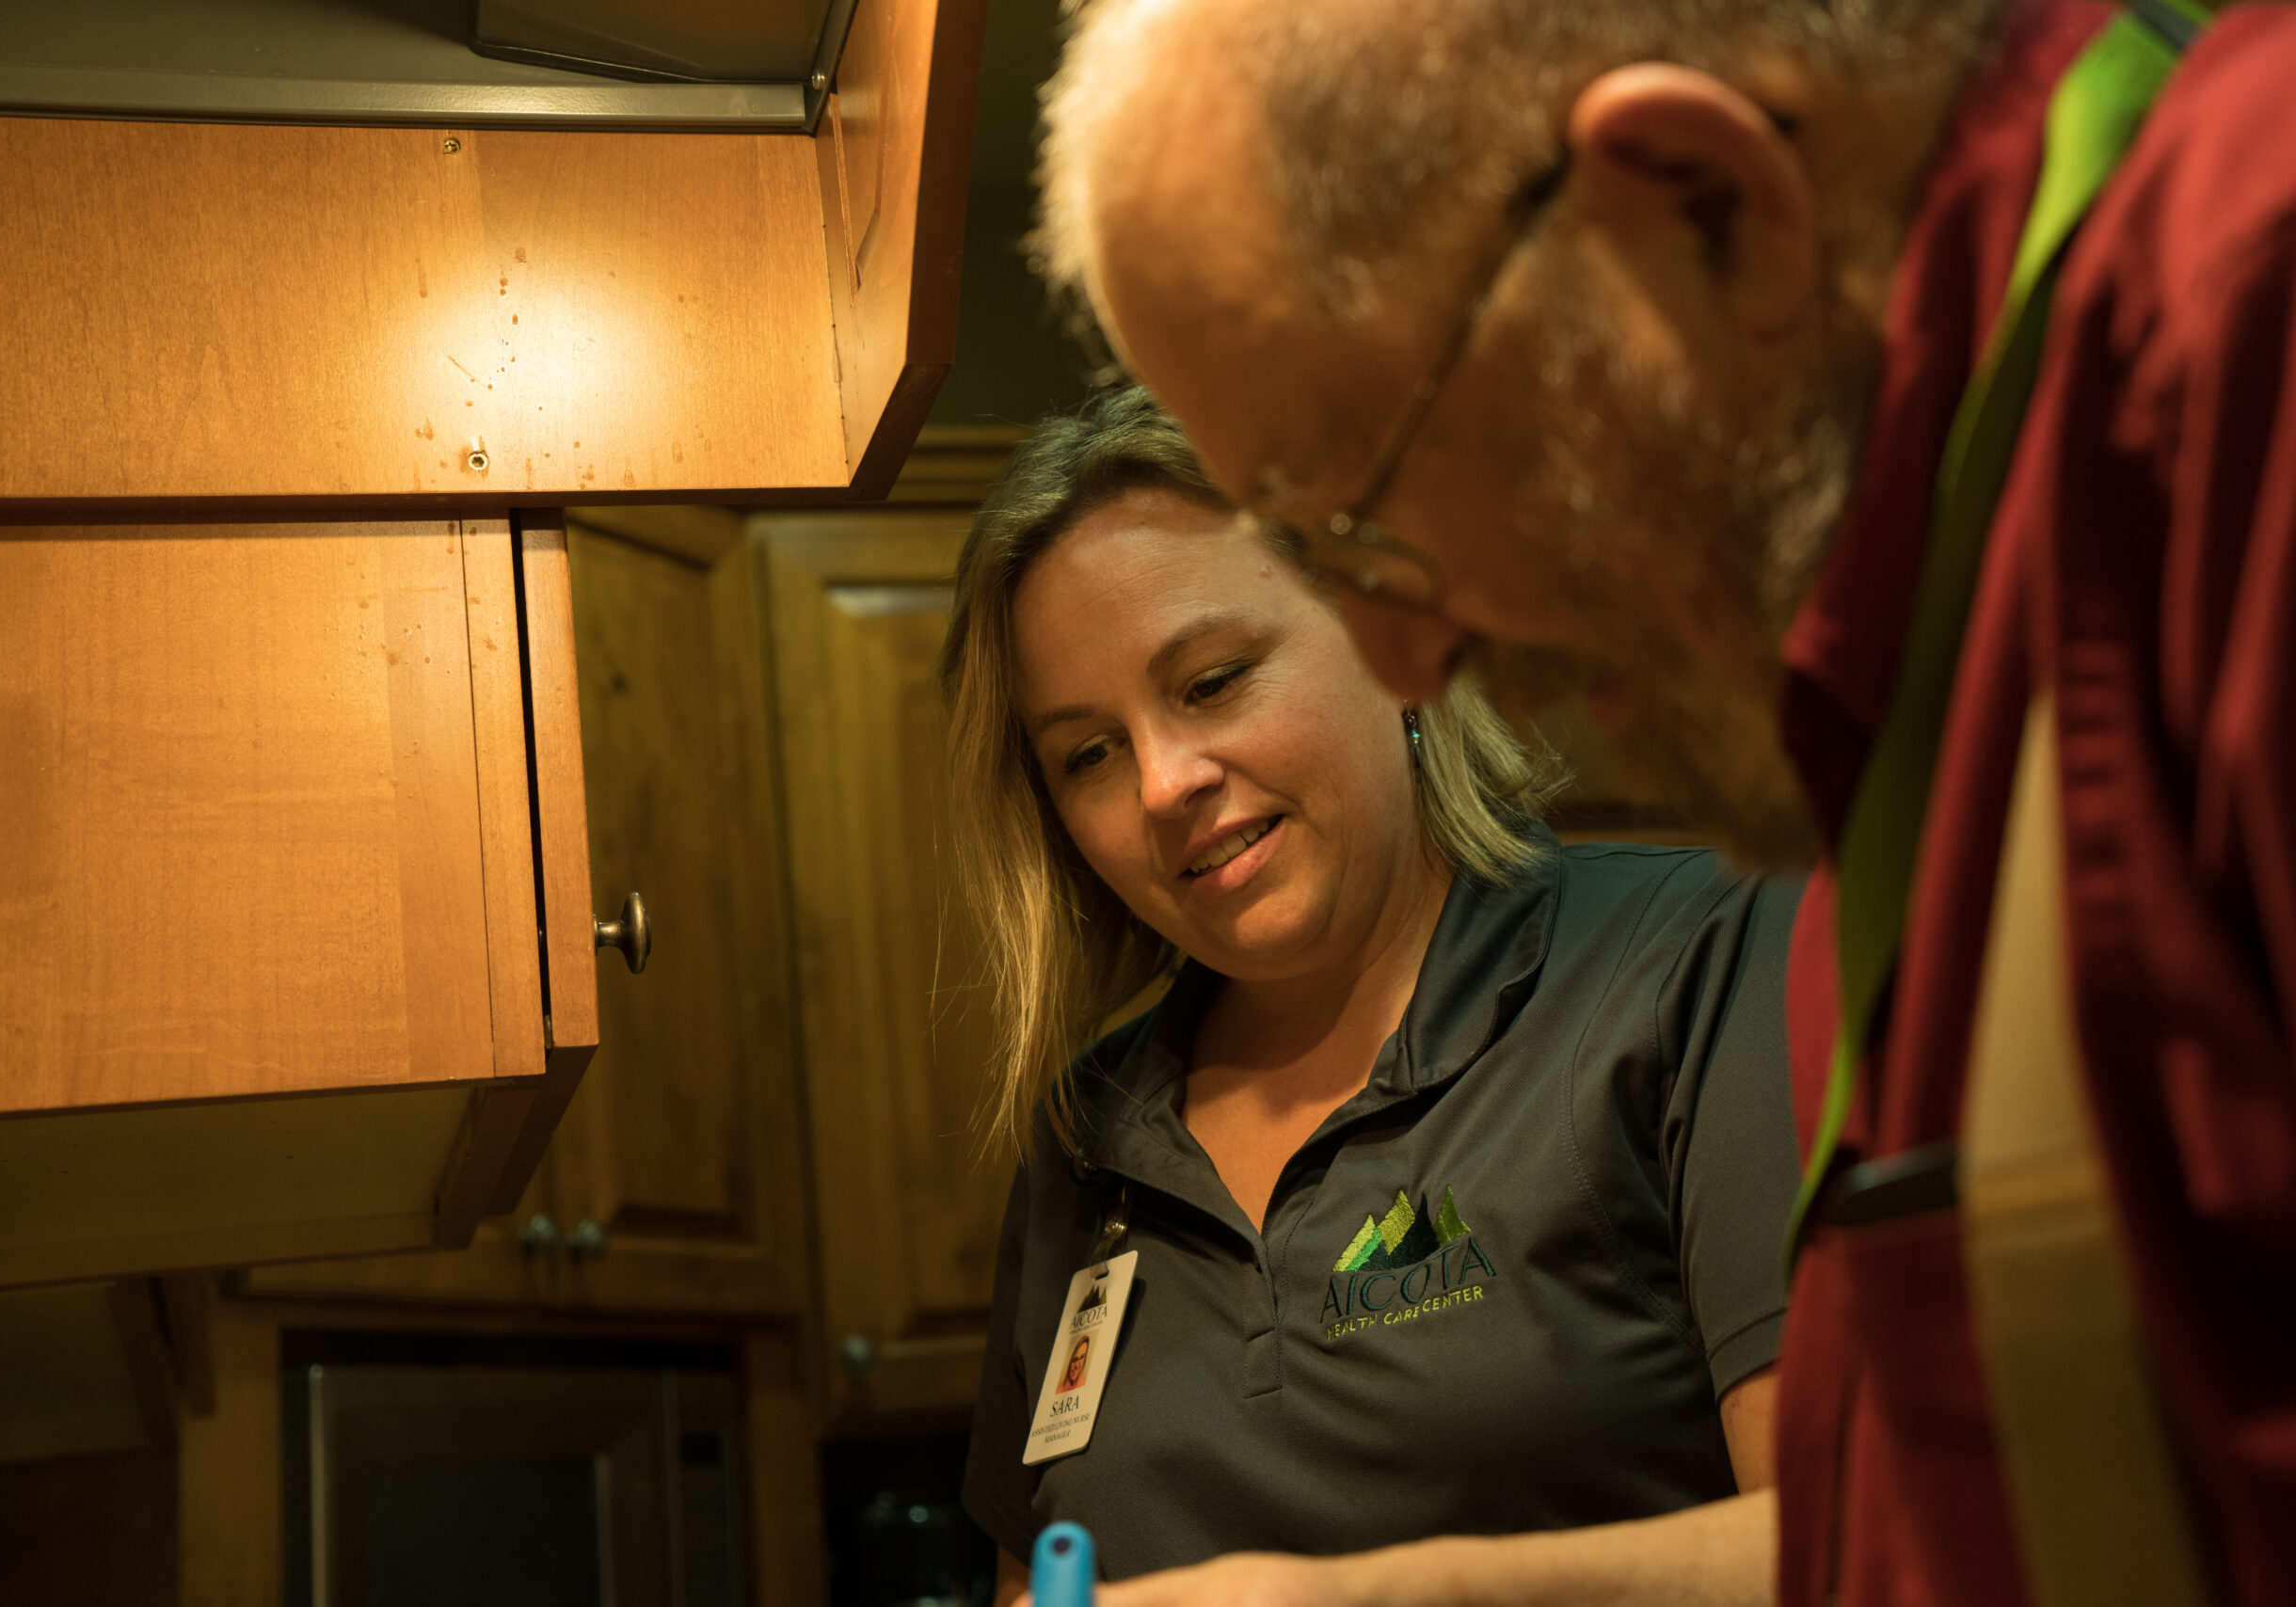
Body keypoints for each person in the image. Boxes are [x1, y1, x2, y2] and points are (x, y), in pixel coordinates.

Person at [1028, 2, 2296, 1606]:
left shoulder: (2251, 323)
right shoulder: (1880, 768)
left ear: (1701, 204)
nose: (1407, 659)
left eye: (1366, 505)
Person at [944, 387, 1803, 1603]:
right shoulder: (1089, 1141)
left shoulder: (1696, 961)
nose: (1161, 783)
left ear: (1387, 642)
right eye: (1088, 753)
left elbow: (1849, 1539)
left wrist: (1354, 1600)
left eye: (1212, 680)